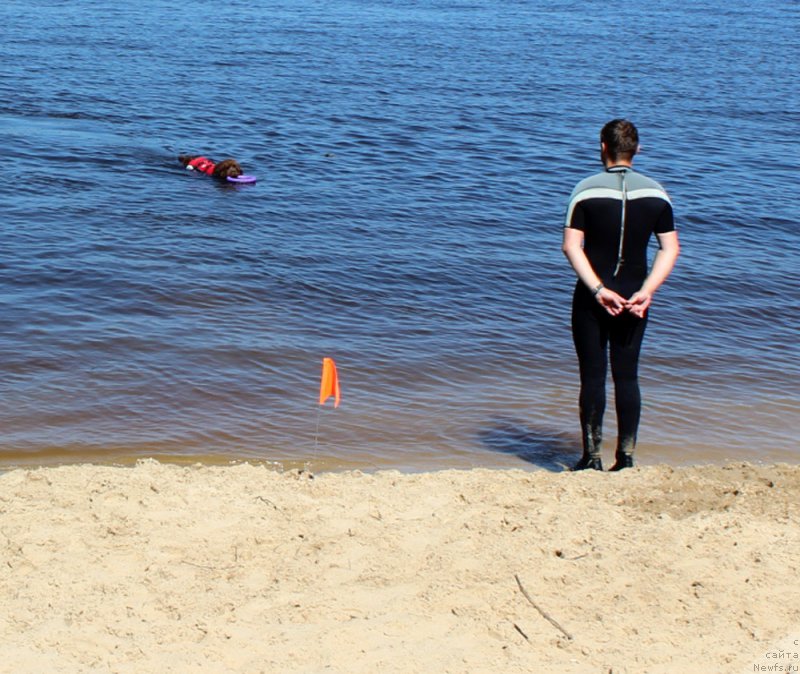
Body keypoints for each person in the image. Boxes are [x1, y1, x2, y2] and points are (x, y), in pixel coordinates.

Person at [562, 119, 680, 471]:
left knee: (593, 376)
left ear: (603, 147)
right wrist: (646, 291)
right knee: (627, 376)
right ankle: (626, 457)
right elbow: (670, 249)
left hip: (593, 298)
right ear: (637, 149)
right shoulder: (657, 193)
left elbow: (571, 247)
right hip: (634, 298)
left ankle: (591, 458)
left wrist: (598, 289)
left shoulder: (584, 190)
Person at [179, 154, 243, 180]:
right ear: (222, 170)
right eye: (228, 168)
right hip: (196, 164)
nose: (233, 170)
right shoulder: (216, 173)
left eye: (234, 167)